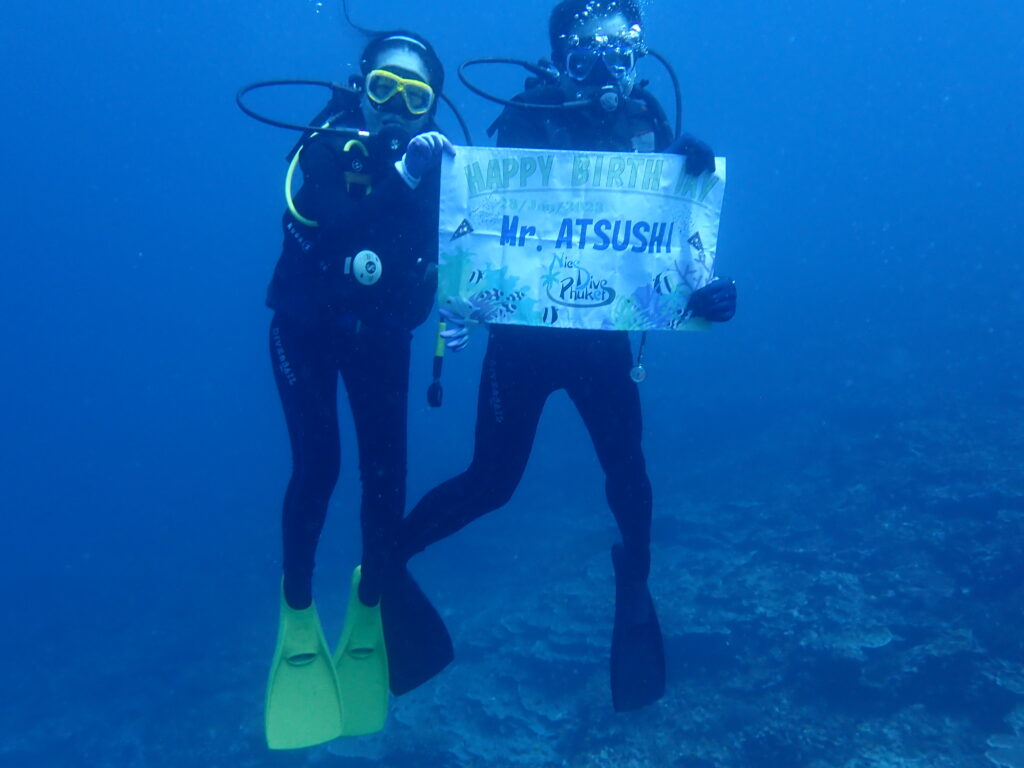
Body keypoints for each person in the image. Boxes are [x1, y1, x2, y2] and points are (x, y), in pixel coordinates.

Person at [399, 0, 737, 712]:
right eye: (590, 53)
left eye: (623, 52)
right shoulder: (525, 113)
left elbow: (669, 247)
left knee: (631, 479)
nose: (609, 69)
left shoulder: (647, 124)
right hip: (521, 343)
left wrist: (702, 285)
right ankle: (390, 560)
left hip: (600, 343)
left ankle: (635, 585)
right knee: (492, 482)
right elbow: (484, 221)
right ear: (562, 57)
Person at [263, 31, 456, 749]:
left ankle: (371, 602)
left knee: (387, 482)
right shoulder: (325, 145)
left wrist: (468, 302)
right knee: (320, 466)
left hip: (381, 339)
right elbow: (331, 221)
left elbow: (482, 244)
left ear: (432, 106)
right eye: (383, 91)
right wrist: (400, 178)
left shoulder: (439, 165)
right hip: (306, 333)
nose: (395, 112)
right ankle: (297, 610)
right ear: (360, 87)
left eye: (415, 99)